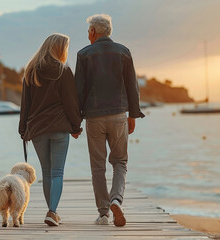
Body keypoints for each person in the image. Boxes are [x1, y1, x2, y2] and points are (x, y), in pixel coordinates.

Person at [74, 14, 145, 227]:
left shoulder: (83, 54)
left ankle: (104, 213)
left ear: (94, 32)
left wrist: (75, 122)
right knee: (120, 162)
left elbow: (79, 91)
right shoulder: (123, 52)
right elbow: (132, 86)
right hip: (118, 116)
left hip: (93, 118)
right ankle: (116, 199)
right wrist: (133, 114)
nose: (88, 35)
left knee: (98, 167)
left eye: (88, 31)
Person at [18, 33, 82, 227]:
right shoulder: (63, 71)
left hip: (37, 129)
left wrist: (23, 130)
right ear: (59, 49)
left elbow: (25, 104)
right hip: (59, 128)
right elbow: (71, 103)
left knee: (47, 173)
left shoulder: (31, 71)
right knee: (57, 173)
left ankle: (52, 212)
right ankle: (52, 211)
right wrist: (76, 126)